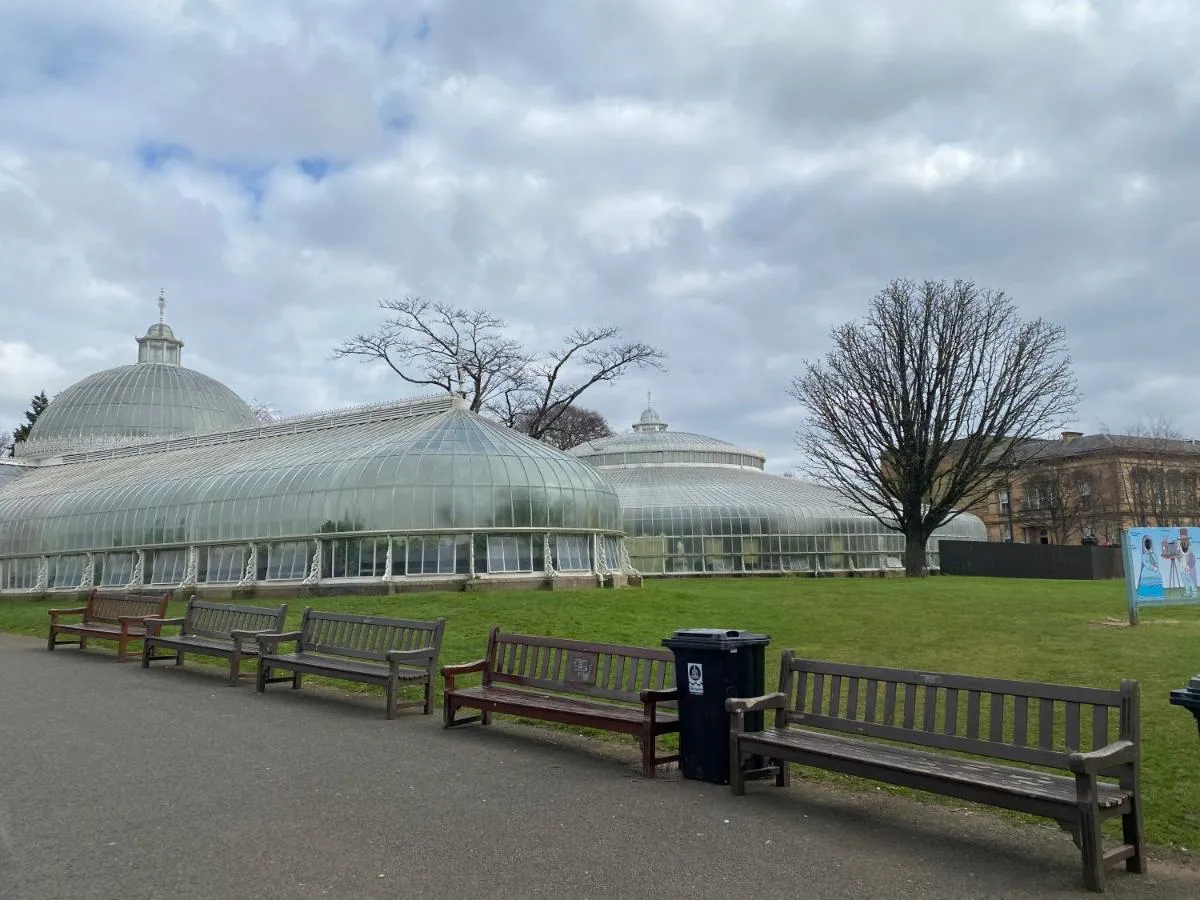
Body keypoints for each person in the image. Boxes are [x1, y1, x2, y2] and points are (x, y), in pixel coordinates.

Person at [1138, 535, 1164, 601]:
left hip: (1155, 572)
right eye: (1146, 543)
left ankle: (1157, 596)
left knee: (1156, 583)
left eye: (1149, 543)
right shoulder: (1144, 555)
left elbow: (1156, 562)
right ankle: (1147, 597)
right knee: (1147, 584)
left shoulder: (1154, 554)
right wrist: (1153, 568)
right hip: (1147, 572)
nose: (1148, 545)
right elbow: (1147, 564)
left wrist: (1156, 566)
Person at [1180, 528, 1197, 599]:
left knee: (1192, 582)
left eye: (1184, 537)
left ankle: (1194, 593)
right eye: (1181, 537)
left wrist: (1188, 567)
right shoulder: (1181, 547)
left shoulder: (1191, 554)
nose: (1183, 538)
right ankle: (1187, 592)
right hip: (1182, 570)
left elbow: (1193, 561)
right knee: (1185, 581)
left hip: (1189, 571)